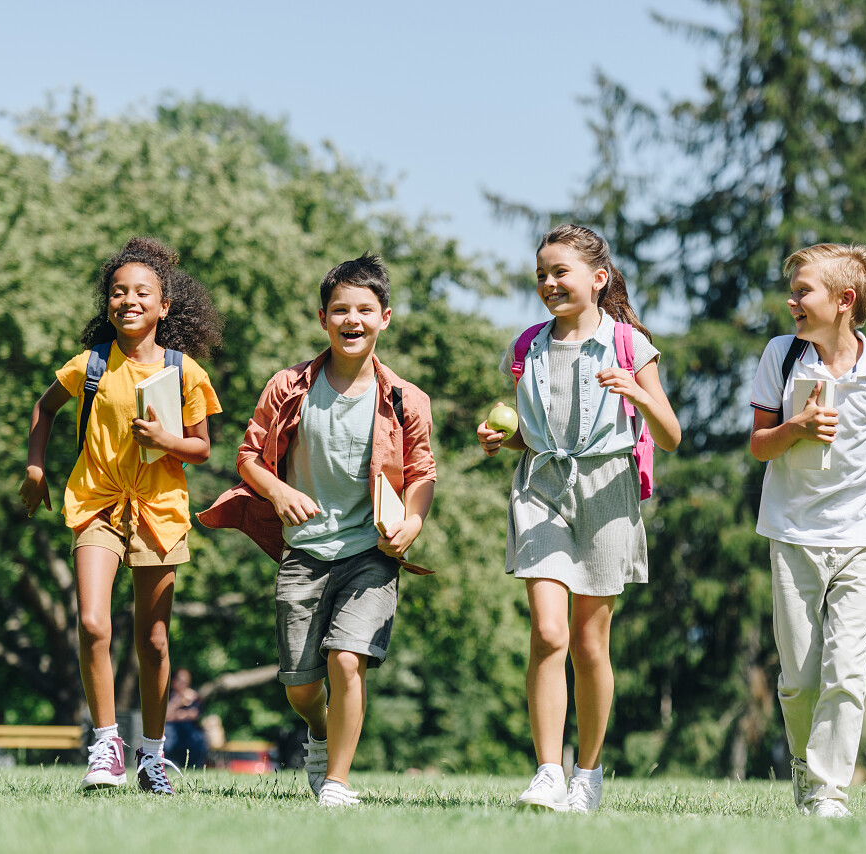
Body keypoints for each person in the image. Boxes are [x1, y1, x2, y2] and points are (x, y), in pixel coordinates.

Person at [477, 225, 680, 814]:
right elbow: (535, 434)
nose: (548, 283)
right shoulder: (527, 348)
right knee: (548, 632)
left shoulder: (630, 346)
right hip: (541, 489)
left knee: (590, 643)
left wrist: (637, 395)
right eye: (541, 274)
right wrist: (505, 438)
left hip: (608, 491)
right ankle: (547, 770)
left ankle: (587, 774)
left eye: (560, 272)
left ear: (598, 277)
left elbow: (669, 435)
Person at [224, 252, 435, 808]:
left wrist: (412, 520)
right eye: (340, 309)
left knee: (348, 659)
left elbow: (422, 472)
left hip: (370, 552)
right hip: (306, 552)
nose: (352, 319)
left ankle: (337, 782)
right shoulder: (289, 386)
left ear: (384, 318)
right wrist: (280, 491)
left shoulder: (405, 399)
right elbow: (248, 457)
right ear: (323, 319)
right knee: (300, 684)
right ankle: (318, 732)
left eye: (365, 309)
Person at [18, 237, 223, 794]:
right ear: (108, 303)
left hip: (158, 511)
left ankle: (152, 756)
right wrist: (37, 469)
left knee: (153, 640)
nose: (128, 300)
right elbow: (44, 409)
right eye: (117, 291)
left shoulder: (186, 373)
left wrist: (168, 438)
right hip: (97, 503)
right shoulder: (88, 365)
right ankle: (105, 744)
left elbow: (203, 447)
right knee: (91, 623)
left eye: (142, 292)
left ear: (164, 306)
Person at [748, 243, 866, 818]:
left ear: (845, 301)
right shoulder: (782, 355)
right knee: (798, 680)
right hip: (794, 533)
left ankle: (828, 792)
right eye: (793, 290)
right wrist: (795, 428)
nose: (791, 300)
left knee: (846, 670)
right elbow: (758, 445)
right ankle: (805, 765)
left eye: (803, 291)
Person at [165, 668, 209, 768]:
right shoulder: (167, 697)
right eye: (181, 681)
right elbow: (165, 716)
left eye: (186, 682)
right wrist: (179, 701)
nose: (184, 685)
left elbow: (194, 714)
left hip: (189, 737)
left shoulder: (193, 697)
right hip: (171, 737)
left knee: (197, 738)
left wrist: (176, 715)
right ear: (173, 682)